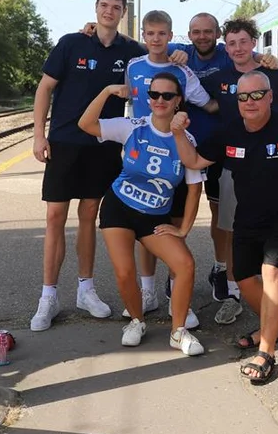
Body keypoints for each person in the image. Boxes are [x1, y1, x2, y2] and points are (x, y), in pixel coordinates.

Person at [171, 73, 278, 383]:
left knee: (271, 271)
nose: (250, 102)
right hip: (248, 215)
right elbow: (195, 161)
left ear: (270, 97)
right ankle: (272, 328)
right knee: (242, 277)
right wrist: (177, 132)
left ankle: (266, 351)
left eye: (257, 95)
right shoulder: (230, 131)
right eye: (243, 97)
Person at [29, 0, 145, 332]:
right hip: (64, 141)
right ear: (96, 8)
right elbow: (45, 88)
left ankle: (86, 289)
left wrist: (178, 54)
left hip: (103, 143)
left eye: (116, 7)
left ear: (123, 13)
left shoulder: (131, 52)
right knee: (54, 216)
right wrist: (39, 134)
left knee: (89, 216)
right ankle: (48, 296)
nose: (109, 11)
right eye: (104, 5)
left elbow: (158, 53)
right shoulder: (71, 43)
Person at [78, 72, 206, 356]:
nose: (159, 100)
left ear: (178, 101)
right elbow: (86, 124)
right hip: (119, 208)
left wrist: (183, 229)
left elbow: (194, 189)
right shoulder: (132, 126)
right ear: (148, 99)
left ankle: (178, 332)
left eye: (167, 95)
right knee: (125, 272)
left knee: (185, 264)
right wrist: (107, 91)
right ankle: (137, 321)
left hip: (155, 217)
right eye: (154, 94)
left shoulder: (186, 139)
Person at [167, 13, 278, 321]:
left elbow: (248, 58)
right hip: (190, 146)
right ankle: (178, 272)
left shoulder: (226, 52)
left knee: (227, 217)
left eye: (208, 31)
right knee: (182, 214)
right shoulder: (181, 51)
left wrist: (266, 58)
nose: (202, 36)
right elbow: (149, 42)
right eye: (196, 32)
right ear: (188, 34)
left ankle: (225, 272)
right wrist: (97, 29)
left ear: (217, 34)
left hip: (225, 150)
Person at [202, 18, 278, 327]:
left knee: (274, 238)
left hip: (275, 169)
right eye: (231, 43)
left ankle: (274, 302)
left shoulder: (271, 75)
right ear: (225, 47)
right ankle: (233, 294)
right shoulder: (219, 78)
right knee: (233, 231)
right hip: (234, 168)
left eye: (243, 42)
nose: (238, 48)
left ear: (254, 43)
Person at [120, 10, 218, 328]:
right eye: (150, 33)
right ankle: (148, 293)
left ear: (170, 36)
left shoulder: (182, 70)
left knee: (173, 229)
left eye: (162, 33)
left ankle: (179, 299)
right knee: (144, 231)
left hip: (174, 158)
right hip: (141, 159)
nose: (156, 39)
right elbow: (129, 102)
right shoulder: (134, 66)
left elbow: (209, 103)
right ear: (143, 35)